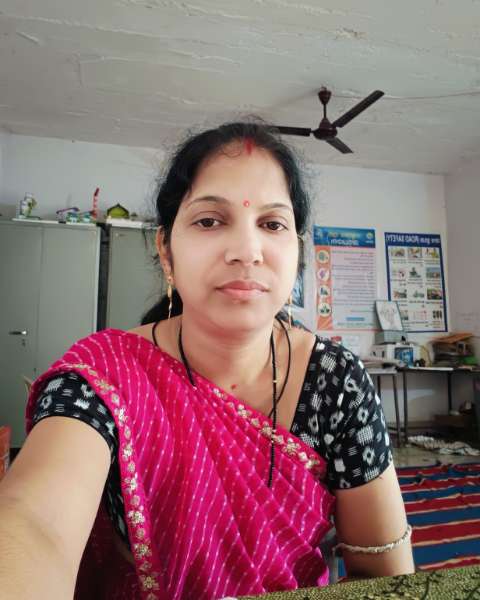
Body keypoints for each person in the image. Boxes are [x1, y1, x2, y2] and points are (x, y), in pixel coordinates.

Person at [0, 121, 414, 599]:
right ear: (166, 250)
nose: (247, 252)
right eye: (209, 221)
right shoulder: (106, 375)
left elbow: (385, 574)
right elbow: (35, 525)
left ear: (297, 249)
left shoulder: (335, 381)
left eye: (272, 224)